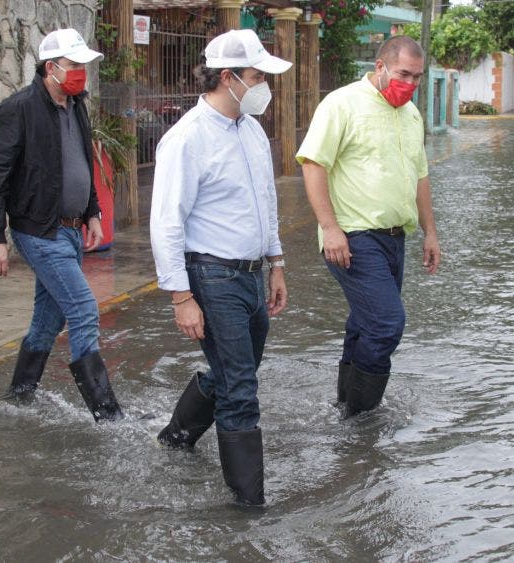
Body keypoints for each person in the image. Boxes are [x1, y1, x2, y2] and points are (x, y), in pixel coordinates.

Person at [150, 29, 292, 506]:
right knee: (241, 390)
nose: (264, 86)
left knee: (236, 371)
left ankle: (175, 437)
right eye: (257, 76)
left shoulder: (251, 130)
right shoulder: (186, 138)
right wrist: (181, 296)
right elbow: (166, 222)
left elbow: (266, 201)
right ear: (228, 78)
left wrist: (276, 263)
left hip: (251, 274)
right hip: (211, 275)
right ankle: (249, 504)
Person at [0, 28, 123, 422]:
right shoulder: (19, 108)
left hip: (72, 229)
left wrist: (92, 212)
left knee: (49, 317)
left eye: (83, 65)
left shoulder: (76, 105)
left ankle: (18, 396)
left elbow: (81, 162)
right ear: (50, 68)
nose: (81, 73)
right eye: (73, 65)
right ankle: (108, 416)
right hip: (39, 230)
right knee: (83, 309)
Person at [296, 35, 441, 418]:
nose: (410, 83)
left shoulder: (411, 115)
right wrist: (329, 228)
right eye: (403, 74)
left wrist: (430, 231)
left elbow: (420, 176)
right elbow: (314, 164)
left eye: (417, 77)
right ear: (380, 67)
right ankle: (362, 419)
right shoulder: (342, 104)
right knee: (386, 324)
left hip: (395, 238)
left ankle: (345, 407)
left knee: (364, 323)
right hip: (353, 235)